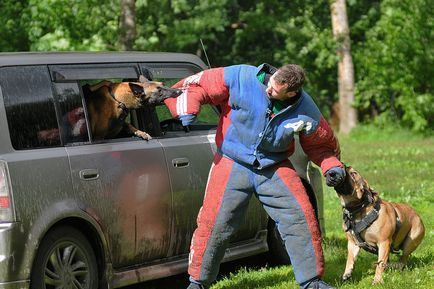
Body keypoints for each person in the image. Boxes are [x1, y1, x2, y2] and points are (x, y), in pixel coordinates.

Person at [164, 63, 346, 289]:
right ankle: (198, 282)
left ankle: (311, 281)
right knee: (215, 222)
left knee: (301, 217)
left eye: (274, 91)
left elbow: (321, 145)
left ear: (291, 93)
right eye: (270, 84)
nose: (268, 90)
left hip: (273, 165)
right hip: (232, 162)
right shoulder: (240, 76)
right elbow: (198, 84)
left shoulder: (305, 108)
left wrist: (332, 166)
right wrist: (188, 107)